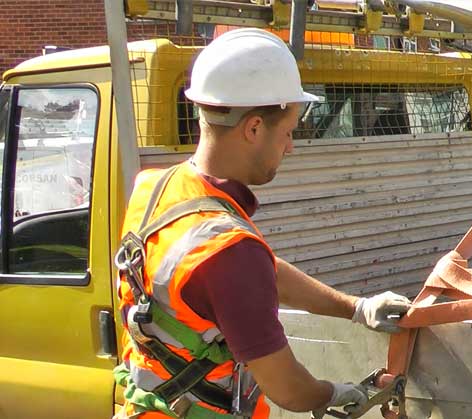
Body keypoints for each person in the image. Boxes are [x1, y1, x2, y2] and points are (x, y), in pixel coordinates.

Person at [113, 28, 412, 419]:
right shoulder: (228, 251)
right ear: (253, 128)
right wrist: (341, 392)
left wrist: (356, 308)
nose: (290, 146)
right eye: (287, 132)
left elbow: (258, 274)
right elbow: (289, 389)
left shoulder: (156, 189)